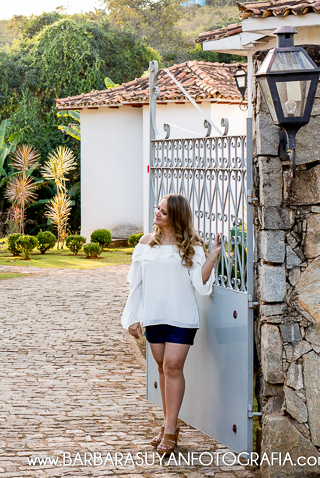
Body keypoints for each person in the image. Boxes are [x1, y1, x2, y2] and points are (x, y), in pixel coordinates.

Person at [120, 193, 221, 453]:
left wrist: (211, 257)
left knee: (173, 366)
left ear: (175, 216)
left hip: (182, 317)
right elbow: (136, 283)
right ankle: (169, 424)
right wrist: (133, 317)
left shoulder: (191, 246)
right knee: (163, 369)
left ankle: (171, 429)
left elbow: (199, 283)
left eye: (163, 212)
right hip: (154, 316)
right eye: (158, 209)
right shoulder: (145, 243)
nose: (157, 214)